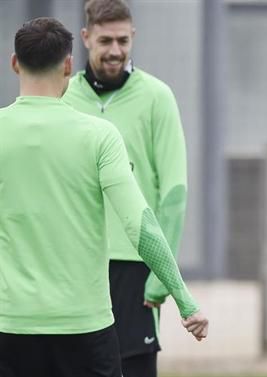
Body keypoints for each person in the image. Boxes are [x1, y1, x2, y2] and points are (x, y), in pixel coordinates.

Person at [0, 17, 208, 377]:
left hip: (8, 325)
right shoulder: (100, 136)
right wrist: (185, 302)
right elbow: (139, 224)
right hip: (84, 327)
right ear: (68, 65)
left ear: (14, 63)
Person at [62, 1, 189, 376]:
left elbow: (174, 190)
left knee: (133, 367)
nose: (115, 50)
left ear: (132, 37)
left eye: (122, 40)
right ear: (86, 38)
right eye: (105, 41)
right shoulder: (64, 98)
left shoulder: (158, 97)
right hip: (79, 262)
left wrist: (161, 274)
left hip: (136, 264)